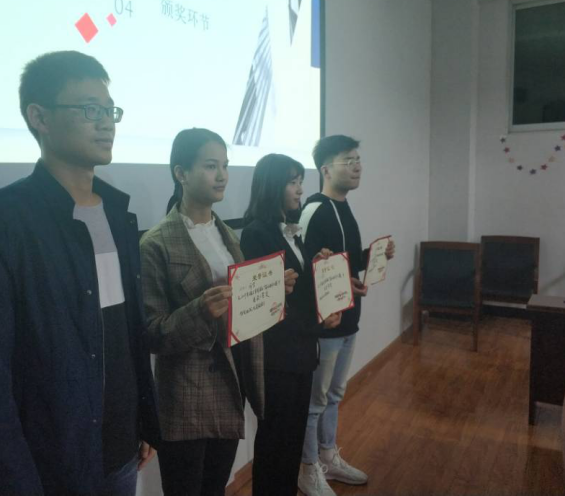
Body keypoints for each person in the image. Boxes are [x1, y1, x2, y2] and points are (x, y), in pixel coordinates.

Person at [0, 50, 160, 496]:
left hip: (119, 447)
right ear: (39, 117)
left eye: (110, 111)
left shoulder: (118, 214)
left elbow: (124, 333)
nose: (106, 124)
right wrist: (13, 480)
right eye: (89, 110)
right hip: (48, 461)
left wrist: (142, 418)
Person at [140, 129, 283, 495]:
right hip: (186, 394)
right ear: (181, 173)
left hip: (230, 383)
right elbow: (152, 333)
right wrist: (200, 311)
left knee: (215, 487)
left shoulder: (227, 235)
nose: (222, 176)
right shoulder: (155, 243)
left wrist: (272, 290)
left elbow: (242, 307)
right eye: (210, 166)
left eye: (225, 165)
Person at [297, 135, 395, 496]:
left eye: (358, 159)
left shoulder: (344, 206)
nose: (357, 166)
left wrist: (374, 256)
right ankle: (307, 469)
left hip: (349, 319)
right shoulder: (313, 210)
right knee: (315, 401)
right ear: (326, 169)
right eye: (348, 160)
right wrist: (330, 296)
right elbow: (303, 270)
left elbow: (344, 263)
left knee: (335, 394)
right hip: (325, 325)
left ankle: (328, 456)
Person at [240, 154, 341, 496]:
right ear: (272, 186)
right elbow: (269, 307)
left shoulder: (291, 230)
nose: (300, 190)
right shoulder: (256, 233)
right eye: (292, 182)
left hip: (300, 353)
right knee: (274, 442)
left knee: (292, 440)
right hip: (277, 358)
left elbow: (298, 289)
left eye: (300, 182)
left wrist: (319, 266)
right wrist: (318, 322)